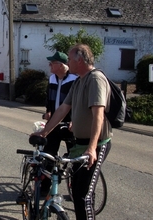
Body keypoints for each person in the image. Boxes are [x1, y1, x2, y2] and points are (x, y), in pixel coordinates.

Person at [33, 44, 112, 220]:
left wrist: (92, 148)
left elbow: (98, 115)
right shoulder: (79, 81)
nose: (68, 62)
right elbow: (62, 109)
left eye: (69, 59)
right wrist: (44, 132)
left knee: (83, 196)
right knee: (77, 193)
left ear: (80, 60)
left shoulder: (95, 79)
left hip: (96, 145)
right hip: (80, 144)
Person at [40, 51, 78, 194]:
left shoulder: (75, 79)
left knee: (74, 158)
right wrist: (48, 110)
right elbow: (48, 98)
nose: (49, 65)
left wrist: (75, 120)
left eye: (52, 63)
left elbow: (78, 102)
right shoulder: (52, 79)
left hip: (69, 125)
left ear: (61, 65)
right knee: (48, 155)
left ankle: (76, 191)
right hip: (54, 123)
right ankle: (44, 188)